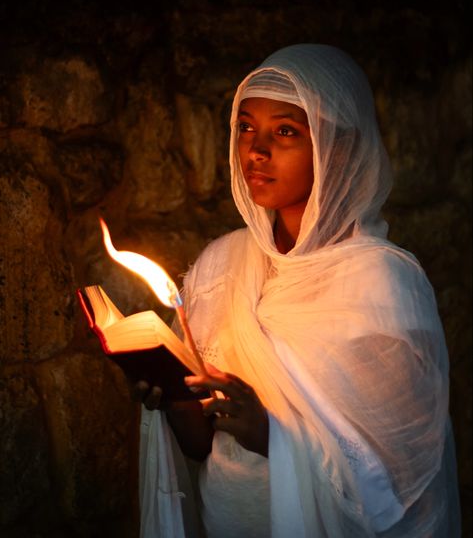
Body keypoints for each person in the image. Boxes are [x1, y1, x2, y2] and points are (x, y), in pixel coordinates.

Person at [135, 44, 461, 537]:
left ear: (339, 150)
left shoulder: (382, 284)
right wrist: (176, 397)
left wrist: (272, 435)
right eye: (245, 127)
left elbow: (400, 478)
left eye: (285, 131)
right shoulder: (221, 265)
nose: (256, 150)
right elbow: (204, 447)